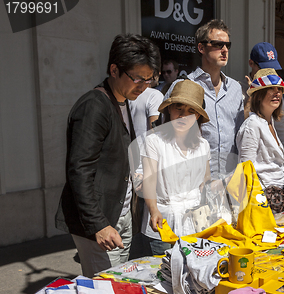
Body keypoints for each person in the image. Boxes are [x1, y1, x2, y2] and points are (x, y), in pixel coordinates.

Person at [55, 34, 160, 277]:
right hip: (100, 221)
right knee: (105, 292)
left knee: (119, 284)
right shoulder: (94, 106)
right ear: (114, 70)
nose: (143, 86)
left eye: (148, 80)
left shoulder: (123, 102)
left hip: (119, 215)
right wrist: (98, 225)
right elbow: (79, 170)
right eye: (137, 79)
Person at [164, 19, 244, 179]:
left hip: (229, 182)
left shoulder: (235, 88)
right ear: (201, 47)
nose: (224, 50)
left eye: (227, 45)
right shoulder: (183, 85)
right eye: (217, 44)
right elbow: (165, 134)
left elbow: (240, 137)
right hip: (192, 181)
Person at [141, 79, 211, 256]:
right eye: (178, 108)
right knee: (163, 276)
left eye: (190, 111)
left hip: (196, 223)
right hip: (163, 222)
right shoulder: (154, 141)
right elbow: (149, 180)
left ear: (197, 116)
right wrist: (153, 209)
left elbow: (206, 182)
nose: (182, 116)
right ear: (169, 110)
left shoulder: (203, 145)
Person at [246, 42, 284, 192]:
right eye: (264, 68)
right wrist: (252, 94)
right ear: (251, 64)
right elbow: (246, 124)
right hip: (259, 165)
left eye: (272, 67)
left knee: (282, 205)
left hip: (283, 159)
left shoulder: (282, 86)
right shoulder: (242, 89)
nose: (270, 72)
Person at [237, 68, 284, 214]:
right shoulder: (252, 124)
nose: (277, 93)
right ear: (259, 95)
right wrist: (261, 203)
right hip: (263, 202)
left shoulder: (270, 121)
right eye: (270, 89)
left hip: (278, 198)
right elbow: (246, 170)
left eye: (279, 89)